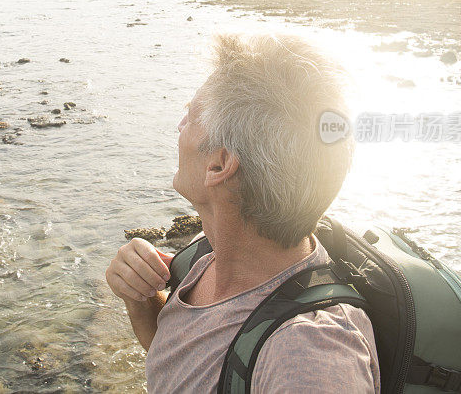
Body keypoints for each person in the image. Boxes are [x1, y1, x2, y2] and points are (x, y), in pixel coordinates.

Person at [105, 33, 380, 393]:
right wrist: (140, 299)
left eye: (190, 116)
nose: (179, 128)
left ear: (219, 166)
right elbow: (187, 362)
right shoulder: (211, 253)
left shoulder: (308, 355)